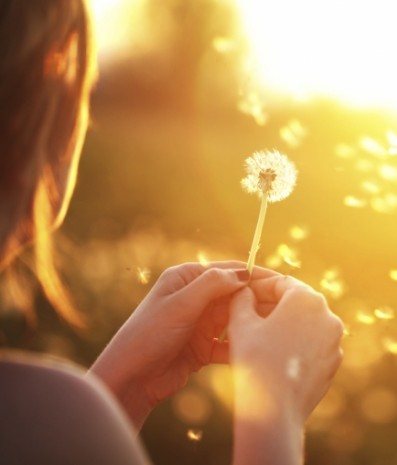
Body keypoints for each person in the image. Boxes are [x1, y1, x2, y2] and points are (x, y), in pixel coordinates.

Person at [0, 1, 344, 464]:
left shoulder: (45, 416)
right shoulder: (48, 410)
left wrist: (122, 388)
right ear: (34, 130)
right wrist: (275, 412)